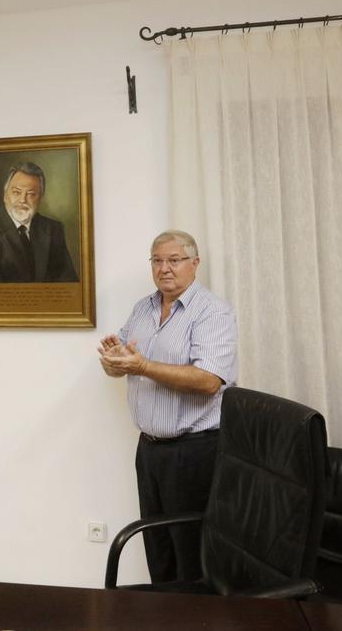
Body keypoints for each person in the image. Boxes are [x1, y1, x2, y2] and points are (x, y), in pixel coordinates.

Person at [98, 230, 238, 583]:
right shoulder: (142, 309)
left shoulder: (212, 312)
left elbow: (209, 380)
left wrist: (143, 366)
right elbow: (125, 363)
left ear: (195, 263)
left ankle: (195, 614)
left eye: (174, 260)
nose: (165, 268)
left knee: (191, 555)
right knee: (158, 549)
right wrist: (114, 363)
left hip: (195, 453)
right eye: (157, 260)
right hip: (150, 451)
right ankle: (162, 612)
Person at [0, 161, 78, 283]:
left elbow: (69, 285)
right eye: (16, 192)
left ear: (40, 198)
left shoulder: (53, 229)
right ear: (5, 195)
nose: (23, 200)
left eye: (31, 194)